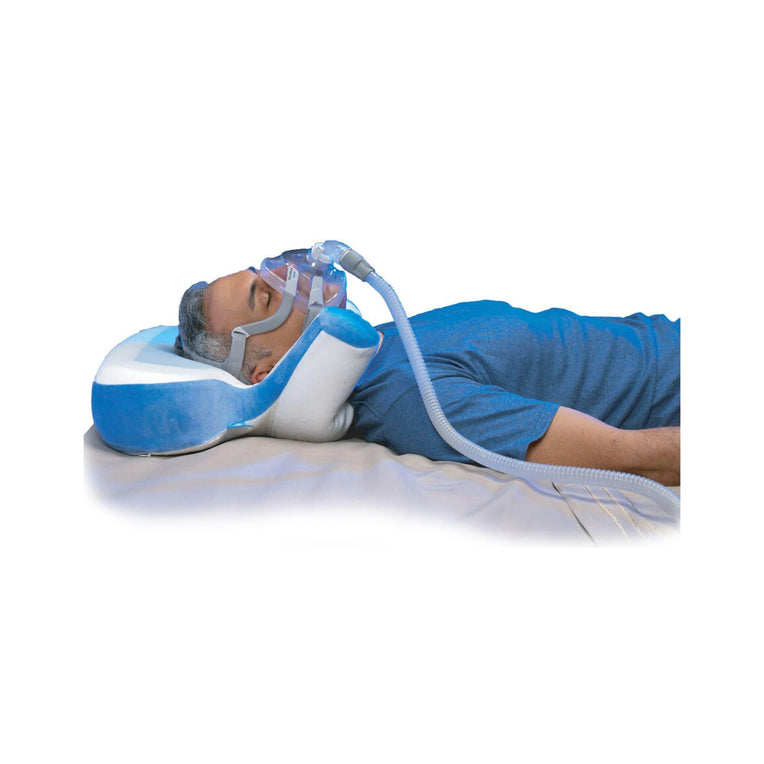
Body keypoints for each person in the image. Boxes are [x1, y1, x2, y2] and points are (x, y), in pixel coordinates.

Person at [176, 263, 680, 486]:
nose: (287, 277)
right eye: (265, 296)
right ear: (264, 368)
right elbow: (635, 461)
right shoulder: (410, 398)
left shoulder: (384, 341)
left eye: (265, 273)